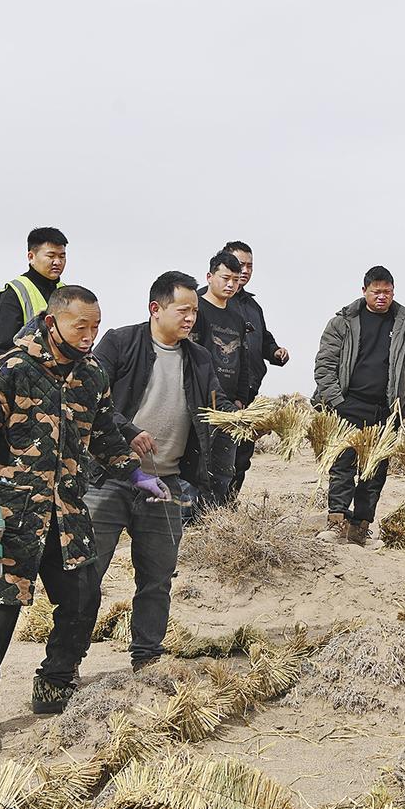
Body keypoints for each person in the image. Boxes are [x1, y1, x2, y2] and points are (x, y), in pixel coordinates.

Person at [0, 285, 170, 755]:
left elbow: (104, 433)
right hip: (8, 518)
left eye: (95, 327)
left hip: (66, 514)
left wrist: (133, 473)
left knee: (83, 600)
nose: (89, 336)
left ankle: (55, 683)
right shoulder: (11, 369)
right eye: (80, 326)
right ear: (52, 322)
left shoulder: (92, 374)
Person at [81, 271, 221, 670]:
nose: (191, 318)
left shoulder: (199, 358)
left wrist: (243, 419)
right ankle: (67, 663)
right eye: (184, 310)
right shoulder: (120, 343)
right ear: (155, 309)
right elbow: (90, 397)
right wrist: (128, 431)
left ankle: (147, 657)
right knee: (87, 575)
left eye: (195, 311)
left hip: (166, 482)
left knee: (158, 578)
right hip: (109, 478)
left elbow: (214, 407)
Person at [311, 265, 405, 545]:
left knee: (374, 473)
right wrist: (338, 402)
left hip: (385, 413)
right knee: (342, 466)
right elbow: (324, 365)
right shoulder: (343, 322)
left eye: (387, 292)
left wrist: (403, 408)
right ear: (364, 291)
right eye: (376, 292)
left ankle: (360, 529)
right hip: (347, 407)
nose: (382, 297)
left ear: (393, 291)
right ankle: (336, 523)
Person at [207, 241, 290, 493]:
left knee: (241, 456)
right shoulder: (206, 302)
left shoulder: (252, 307)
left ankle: (228, 504)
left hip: (247, 391)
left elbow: (262, 338)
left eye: (249, 266)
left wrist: (275, 352)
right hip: (214, 395)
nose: (244, 271)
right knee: (213, 457)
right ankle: (207, 507)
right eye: (239, 264)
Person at [192, 249, 248, 511]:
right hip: (201, 403)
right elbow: (191, 355)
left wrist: (240, 399)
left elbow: (243, 360)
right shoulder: (197, 310)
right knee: (198, 467)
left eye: (235, 280)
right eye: (225, 278)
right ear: (209, 276)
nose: (231, 285)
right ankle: (191, 520)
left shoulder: (237, 316)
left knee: (224, 469)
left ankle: (213, 519)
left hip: (229, 408)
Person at [0, 227, 68, 364]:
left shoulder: (67, 293)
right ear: (31, 257)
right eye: (51, 256)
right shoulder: (14, 293)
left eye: (62, 256)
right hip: (26, 373)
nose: (57, 262)